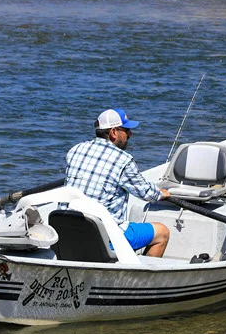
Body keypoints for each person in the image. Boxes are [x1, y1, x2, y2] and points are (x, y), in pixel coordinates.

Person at [65, 108, 171, 257]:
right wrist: (161, 193)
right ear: (114, 132)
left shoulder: (75, 150)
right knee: (162, 233)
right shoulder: (123, 160)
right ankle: (140, 278)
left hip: (68, 230)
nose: (130, 134)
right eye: (127, 130)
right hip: (105, 237)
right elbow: (145, 192)